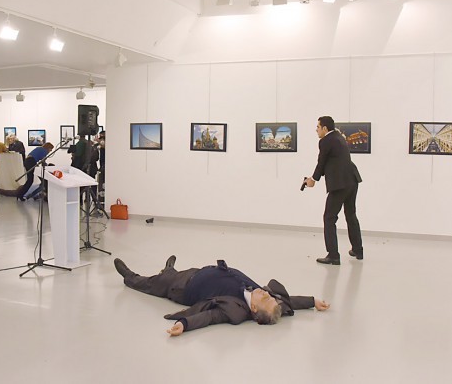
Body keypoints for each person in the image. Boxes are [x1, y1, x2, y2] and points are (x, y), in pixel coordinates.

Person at [114, 256, 330, 336]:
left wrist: (184, 324)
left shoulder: (235, 311)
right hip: (198, 272)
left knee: (150, 283)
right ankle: (169, 269)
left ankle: (129, 276)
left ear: (254, 310)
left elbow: (209, 317)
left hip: (180, 287)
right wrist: (312, 301)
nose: (265, 292)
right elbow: (287, 301)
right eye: (269, 295)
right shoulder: (259, 294)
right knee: (172, 273)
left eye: (265, 298)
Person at [304, 116, 363, 265]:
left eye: (318, 127)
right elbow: (333, 161)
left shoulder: (326, 141)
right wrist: (314, 178)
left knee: (329, 218)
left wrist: (313, 179)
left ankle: (333, 255)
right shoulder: (339, 137)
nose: (316, 130)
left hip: (339, 184)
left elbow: (321, 162)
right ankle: (358, 250)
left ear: (325, 128)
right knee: (351, 214)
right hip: (352, 180)